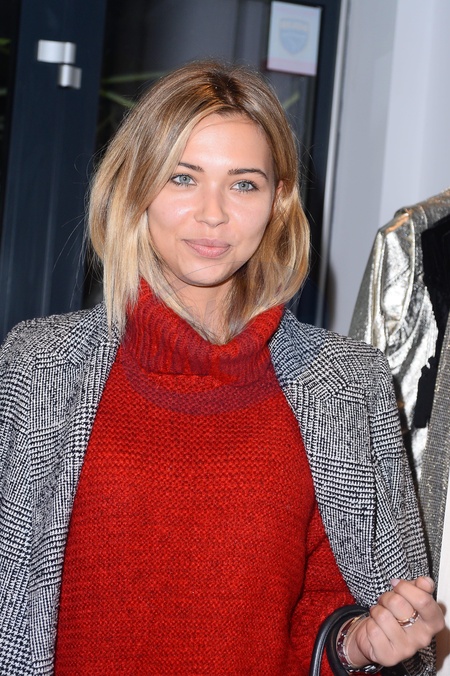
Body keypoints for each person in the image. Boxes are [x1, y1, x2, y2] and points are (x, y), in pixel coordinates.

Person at [0, 60, 444, 675]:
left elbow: (358, 620)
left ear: (277, 202)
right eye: (183, 178)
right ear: (135, 188)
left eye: (243, 185)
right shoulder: (40, 366)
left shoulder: (346, 383)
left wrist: (360, 644)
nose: (213, 213)